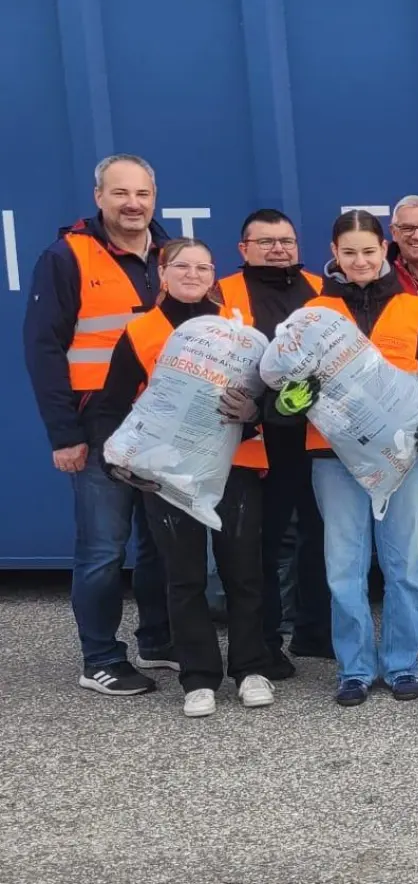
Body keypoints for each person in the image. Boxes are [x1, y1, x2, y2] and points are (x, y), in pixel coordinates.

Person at [272, 210, 418, 706]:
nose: (360, 261)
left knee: (404, 566)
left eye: (369, 251)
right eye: (349, 252)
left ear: (384, 252)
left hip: (402, 456)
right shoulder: (312, 312)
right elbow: (282, 379)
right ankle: (354, 668)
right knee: (343, 567)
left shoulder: (412, 309)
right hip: (332, 456)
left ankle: (402, 664)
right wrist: (287, 402)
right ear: (334, 254)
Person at [91, 238, 276, 717]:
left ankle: (250, 668)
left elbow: (270, 398)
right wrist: (115, 459)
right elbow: (112, 404)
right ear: (163, 272)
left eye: (203, 267)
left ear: (214, 275)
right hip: (167, 471)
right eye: (182, 266)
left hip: (236, 466)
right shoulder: (141, 332)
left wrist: (255, 412)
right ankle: (198, 677)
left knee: (244, 571)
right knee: (184, 576)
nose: (193, 275)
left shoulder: (240, 330)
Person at [23, 153, 172, 696]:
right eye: (120, 193)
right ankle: (101, 659)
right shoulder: (67, 257)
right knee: (104, 550)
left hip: (163, 428)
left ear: (154, 198)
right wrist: (63, 433)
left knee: (160, 544)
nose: (133, 204)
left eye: (142, 194)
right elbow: (43, 348)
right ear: (98, 197)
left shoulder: (172, 255)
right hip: (98, 427)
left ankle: (158, 640)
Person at [219, 208, 332, 671]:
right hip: (258, 440)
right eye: (265, 242)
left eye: (286, 241)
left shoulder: (322, 290)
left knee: (321, 537)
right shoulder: (221, 293)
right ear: (243, 248)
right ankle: (264, 643)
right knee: (261, 545)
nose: (278, 249)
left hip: (317, 436)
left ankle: (315, 632)